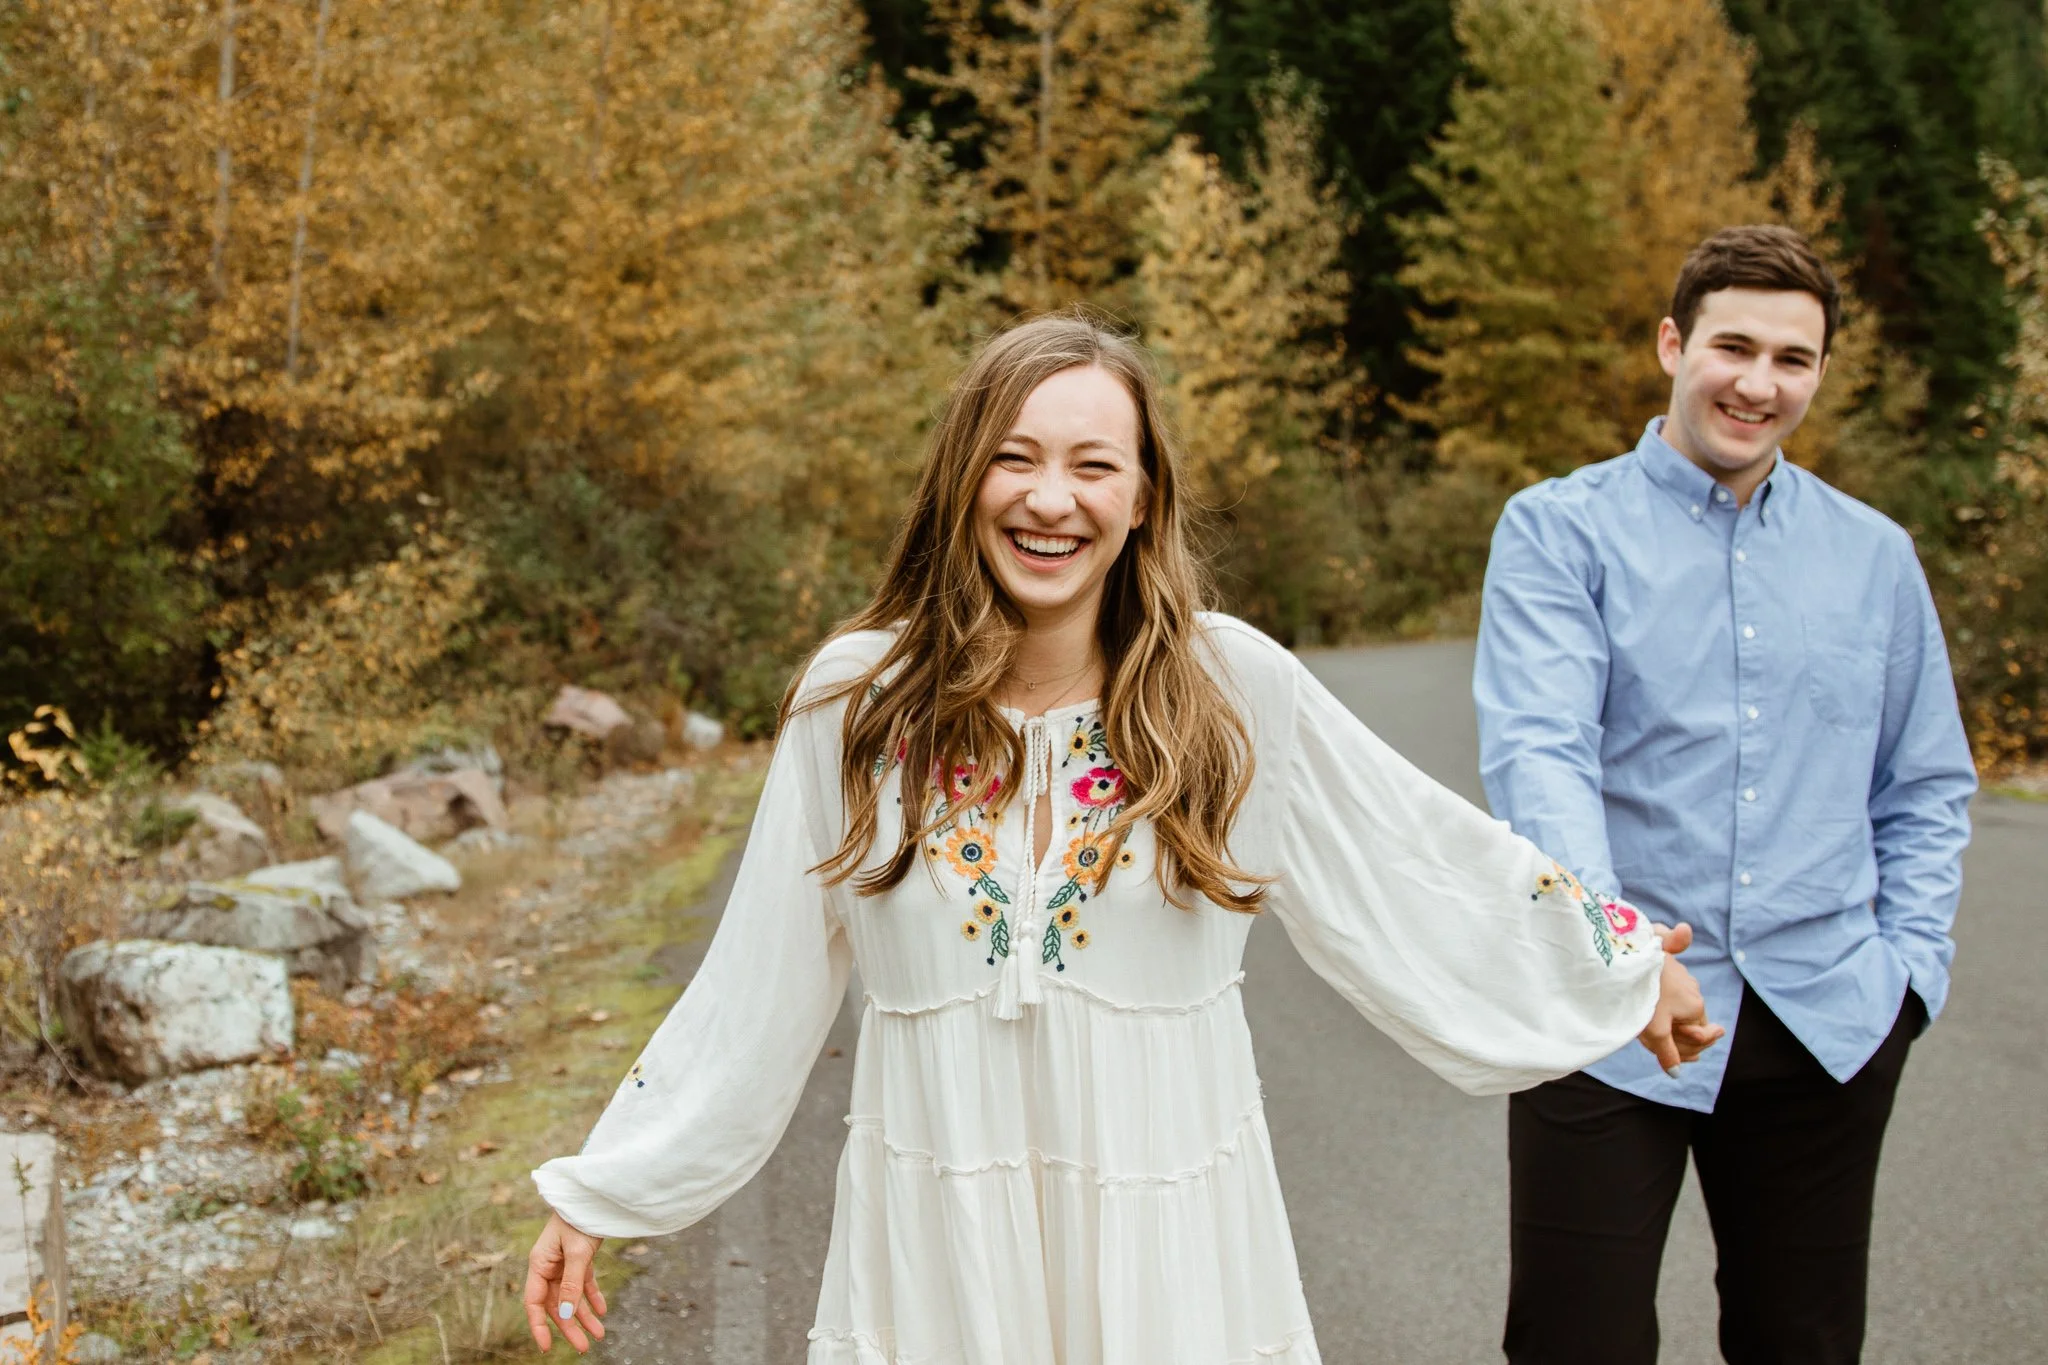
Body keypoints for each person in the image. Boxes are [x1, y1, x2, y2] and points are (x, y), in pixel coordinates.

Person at [522, 312, 1718, 1363]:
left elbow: (1412, 860)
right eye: (1014, 459)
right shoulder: (857, 702)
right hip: (939, 1257)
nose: (1052, 499)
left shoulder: (1228, 688)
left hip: (1175, 1257)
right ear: (958, 481)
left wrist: (1615, 966)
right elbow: (756, 980)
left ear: (1140, 498)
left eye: (1094, 465)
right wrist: (604, 1188)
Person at [1475, 225, 1978, 1365]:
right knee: (1571, 1344)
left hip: (1826, 1018)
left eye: (1790, 360)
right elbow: (1538, 759)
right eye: (1731, 346)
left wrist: (1907, 976)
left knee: (1798, 1343)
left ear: (1816, 373)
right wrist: (1621, 953)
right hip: (1604, 1018)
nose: (1756, 385)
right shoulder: (1559, 532)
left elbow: (1926, 782)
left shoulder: (1874, 557)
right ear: (1671, 343)